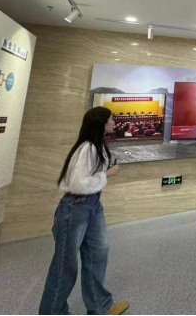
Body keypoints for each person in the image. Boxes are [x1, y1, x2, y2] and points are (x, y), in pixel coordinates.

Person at [39, 107, 129, 316]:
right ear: (101, 123)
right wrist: (108, 173)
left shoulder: (95, 146)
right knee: (65, 265)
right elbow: (79, 184)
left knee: (98, 253)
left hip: (92, 205)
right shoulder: (88, 148)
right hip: (76, 208)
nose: (114, 122)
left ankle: (100, 307)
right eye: (111, 119)